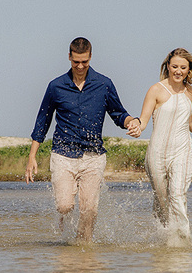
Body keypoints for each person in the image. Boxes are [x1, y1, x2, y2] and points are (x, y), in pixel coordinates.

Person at [26, 37, 142, 242]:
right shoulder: (56, 86)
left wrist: (132, 121)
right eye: (76, 62)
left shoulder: (104, 84)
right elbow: (42, 121)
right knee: (64, 206)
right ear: (69, 57)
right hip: (63, 155)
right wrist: (32, 156)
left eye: (84, 62)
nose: (80, 66)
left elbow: (118, 113)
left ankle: (83, 250)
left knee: (89, 210)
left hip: (93, 156)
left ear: (90, 58)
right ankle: (65, 224)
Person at [136, 48, 192, 241]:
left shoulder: (190, 92)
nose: (178, 71)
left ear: (189, 70)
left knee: (178, 195)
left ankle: (182, 239)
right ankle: (165, 237)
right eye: (175, 67)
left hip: (183, 150)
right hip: (157, 153)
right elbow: (144, 120)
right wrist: (137, 127)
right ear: (168, 67)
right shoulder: (156, 90)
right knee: (162, 201)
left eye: (183, 67)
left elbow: (188, 121)